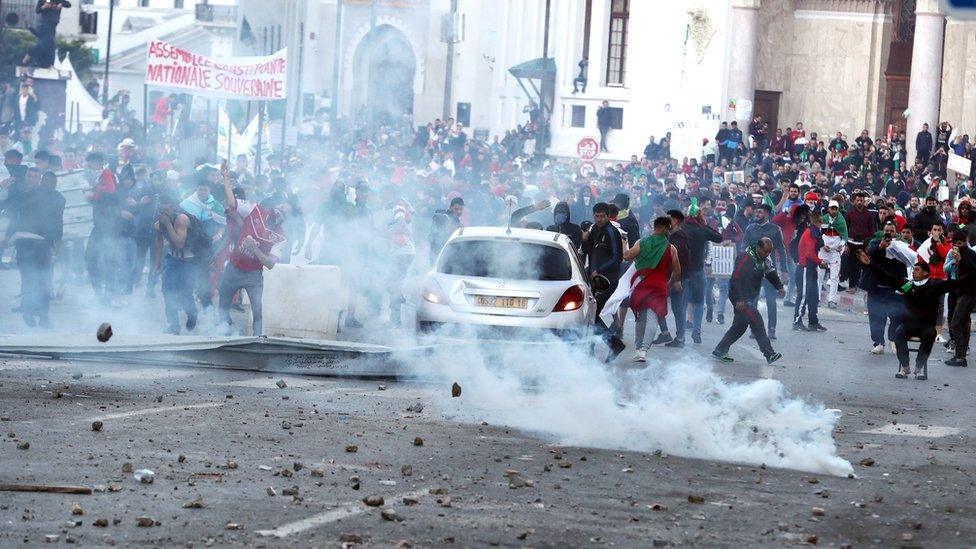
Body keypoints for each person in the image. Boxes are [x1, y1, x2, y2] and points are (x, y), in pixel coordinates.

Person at [856, 249, 975, 380]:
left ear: (925, 273)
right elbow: (886, 277)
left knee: (930, 335)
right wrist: (869, 264)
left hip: (926, 327)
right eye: (914, 269)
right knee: (898, 332)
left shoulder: (934, 286)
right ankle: (905, 367)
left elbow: (958, 282)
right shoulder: (908, 285)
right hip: (909, 325)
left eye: (917, 270)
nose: (913, 271)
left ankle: (919, 368)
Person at [217, 168, 290, 336]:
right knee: (223, 303)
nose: (281, 210)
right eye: (280, 206)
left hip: (253, 275)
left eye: (286, 210)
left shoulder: (281, 237)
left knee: (257, 310)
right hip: (234, 267)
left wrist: (255, 249)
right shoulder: (255, 209)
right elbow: (232, 203)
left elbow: (270, 264)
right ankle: (223, 333)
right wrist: (226, 179)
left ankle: (258, 341)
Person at [1, 170, 64, 327]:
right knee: (44, 279)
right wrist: (57, 243)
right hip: (41, 243)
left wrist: (8, 236)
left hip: (25, 241)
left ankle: (29, 311)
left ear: (41, 181)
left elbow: (13, 217)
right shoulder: (59, 198)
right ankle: (43, 316)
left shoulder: (24, 195)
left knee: (28, 278)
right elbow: (58, 222)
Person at [711, 237, 785, 364]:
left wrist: (779, 287)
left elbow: (771, 273)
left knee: (740, 325)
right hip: (739, 296)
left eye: (769, 252)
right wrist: (739, 298)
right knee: (757, 321)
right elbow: (735, 278)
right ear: (758, 247)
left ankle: (720, 349)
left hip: (750, 296)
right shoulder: (745, 257)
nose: (767, 255)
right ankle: (769, 353)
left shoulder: (765, 259)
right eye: (765, 252)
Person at [621, 216, 680, 362]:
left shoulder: (641, 242)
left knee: (640, 317)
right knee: (653, 317)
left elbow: (626, 256)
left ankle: (638, 348)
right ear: (666, 229)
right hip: (659, 286)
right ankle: (644, 350)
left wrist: (624, 243)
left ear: (655, 227)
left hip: (642, 284)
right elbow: (677, 271)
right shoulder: (671, 248)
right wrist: (670, 283)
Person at [582, 202, 625, 360]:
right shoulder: (594, 229)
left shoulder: (611, 231)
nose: (599, 219)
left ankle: (614, 344)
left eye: (602, 216)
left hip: (607, 279)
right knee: (591, 314)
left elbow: (617, 257)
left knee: (592, 314)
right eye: (597, 216)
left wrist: (599, 270)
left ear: (608, 216)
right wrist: (585, 239)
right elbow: (588, 251)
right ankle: (594, 349)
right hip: (594, 278)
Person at [154, 194, 198, 334]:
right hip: (172, 259)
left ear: (172, 208)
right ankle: (173, 325)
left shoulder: (182, 219)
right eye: (161, 210)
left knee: (185, 292)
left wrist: (167, 224)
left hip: (188, 261)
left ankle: (192, 313)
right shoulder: (158, 222)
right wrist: (158, 262)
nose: (163, 214)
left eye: (166, 210)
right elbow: (159, 242)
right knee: (167, 291)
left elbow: (179, 243)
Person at [862, 222, 906, 354]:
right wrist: (881, 247)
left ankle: (893, 339)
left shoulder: (900, 245)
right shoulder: (875, 242)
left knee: (896, 316)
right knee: (876, 317)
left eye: (891, 231)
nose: (889, 233)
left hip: (894, 287)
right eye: (886, 230)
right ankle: (878, 342)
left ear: (895, 232)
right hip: (877, 287)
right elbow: (871, 253)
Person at [744, 203, 786, 339]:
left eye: (760, 212)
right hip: (753, 271)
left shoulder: (775, 229)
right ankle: (754, 329)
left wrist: (784, 270)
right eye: (756, 212)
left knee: (771, 301)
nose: (757, 214)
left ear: (767, 214)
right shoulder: (750, 229)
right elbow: (743, 247)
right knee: (753, 301)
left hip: (769, 271)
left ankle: (771, 329)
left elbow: (781, 249)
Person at [791, 204, 828, 332]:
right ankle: (797, 321)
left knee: (813, 296)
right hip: (805, 268)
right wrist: (821, 262)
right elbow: (810, 254)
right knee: (803, 296)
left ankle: (813, 322)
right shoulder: (810, 233)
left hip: (810, 269)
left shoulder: (813, 231)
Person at [945, 231, 976, 367]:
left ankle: (959, 355)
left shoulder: (969, 254)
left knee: (955, 323)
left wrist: (960, 260)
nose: (957, 247)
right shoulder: (958, 254)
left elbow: (972, 271)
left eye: (959, 243)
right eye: (955, 244)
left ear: (964, 242)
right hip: (962, 292)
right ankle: (961, 357)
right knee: (963, 323)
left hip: (969, 293)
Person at [818, 200, 848, 308]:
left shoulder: (841, 221)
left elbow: (845, 236)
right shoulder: (822, 219)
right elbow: (817, 234)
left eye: (836, 209)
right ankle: (817, 299)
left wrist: (842, 244)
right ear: (828, 209)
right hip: (823, 251)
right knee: (819, 276)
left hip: (835, 252)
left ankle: (832, 300)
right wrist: (822, 245)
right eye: (832, 208)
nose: (834, 211)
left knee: (834, 277)